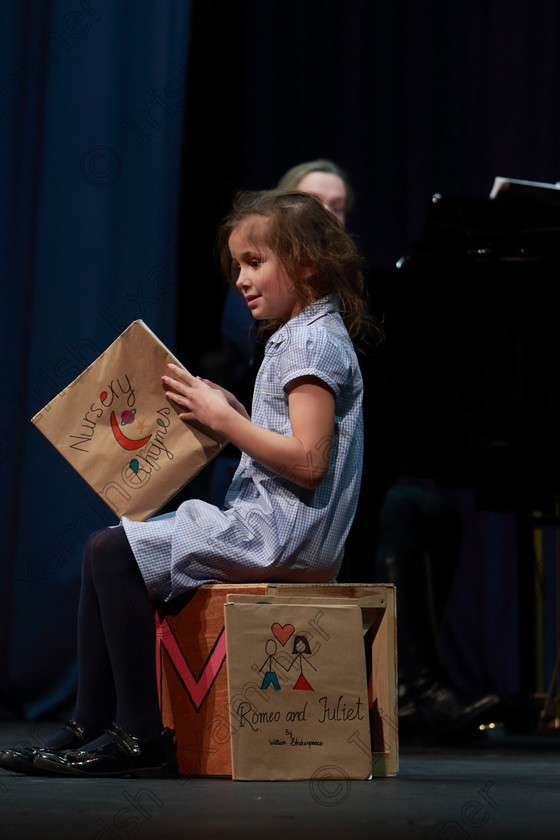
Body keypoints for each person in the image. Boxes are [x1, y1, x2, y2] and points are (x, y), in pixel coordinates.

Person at [0, 189, 375, 778]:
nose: (244, 280)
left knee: (109, 549)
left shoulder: (308, 340)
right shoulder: (305, 333)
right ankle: (96, 723)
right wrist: (235, 416)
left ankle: (134, 731)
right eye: (238, 267)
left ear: (306, 262)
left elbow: (309, 462)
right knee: (109, 547)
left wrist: (226, 421)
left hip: (283, 536)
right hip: (282, 529)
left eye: (256, 262)